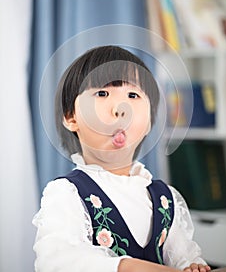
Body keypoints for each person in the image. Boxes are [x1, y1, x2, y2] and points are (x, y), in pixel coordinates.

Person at [33, 45, 211, 272]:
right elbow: (58, 261)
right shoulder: (66, 193)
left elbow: (186, 259)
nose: (121, 108)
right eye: (103, 93)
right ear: (71, 117)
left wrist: (193, 266)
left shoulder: (167, 198)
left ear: (148, 123)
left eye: (133, 95)